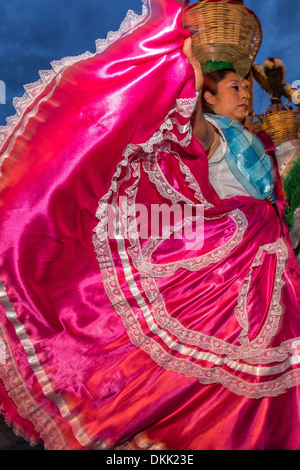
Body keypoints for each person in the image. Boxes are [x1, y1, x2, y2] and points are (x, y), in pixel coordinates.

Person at [0, 0, 300, 451]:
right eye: (235, 87)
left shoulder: (261, 142)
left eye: (246, 89)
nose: (244, 95)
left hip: (275, 271)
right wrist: (188, 57)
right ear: (210, 97)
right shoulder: (212, 130)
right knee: (206, 389)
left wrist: (278, 95)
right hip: (222, 267)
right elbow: (190, 110)